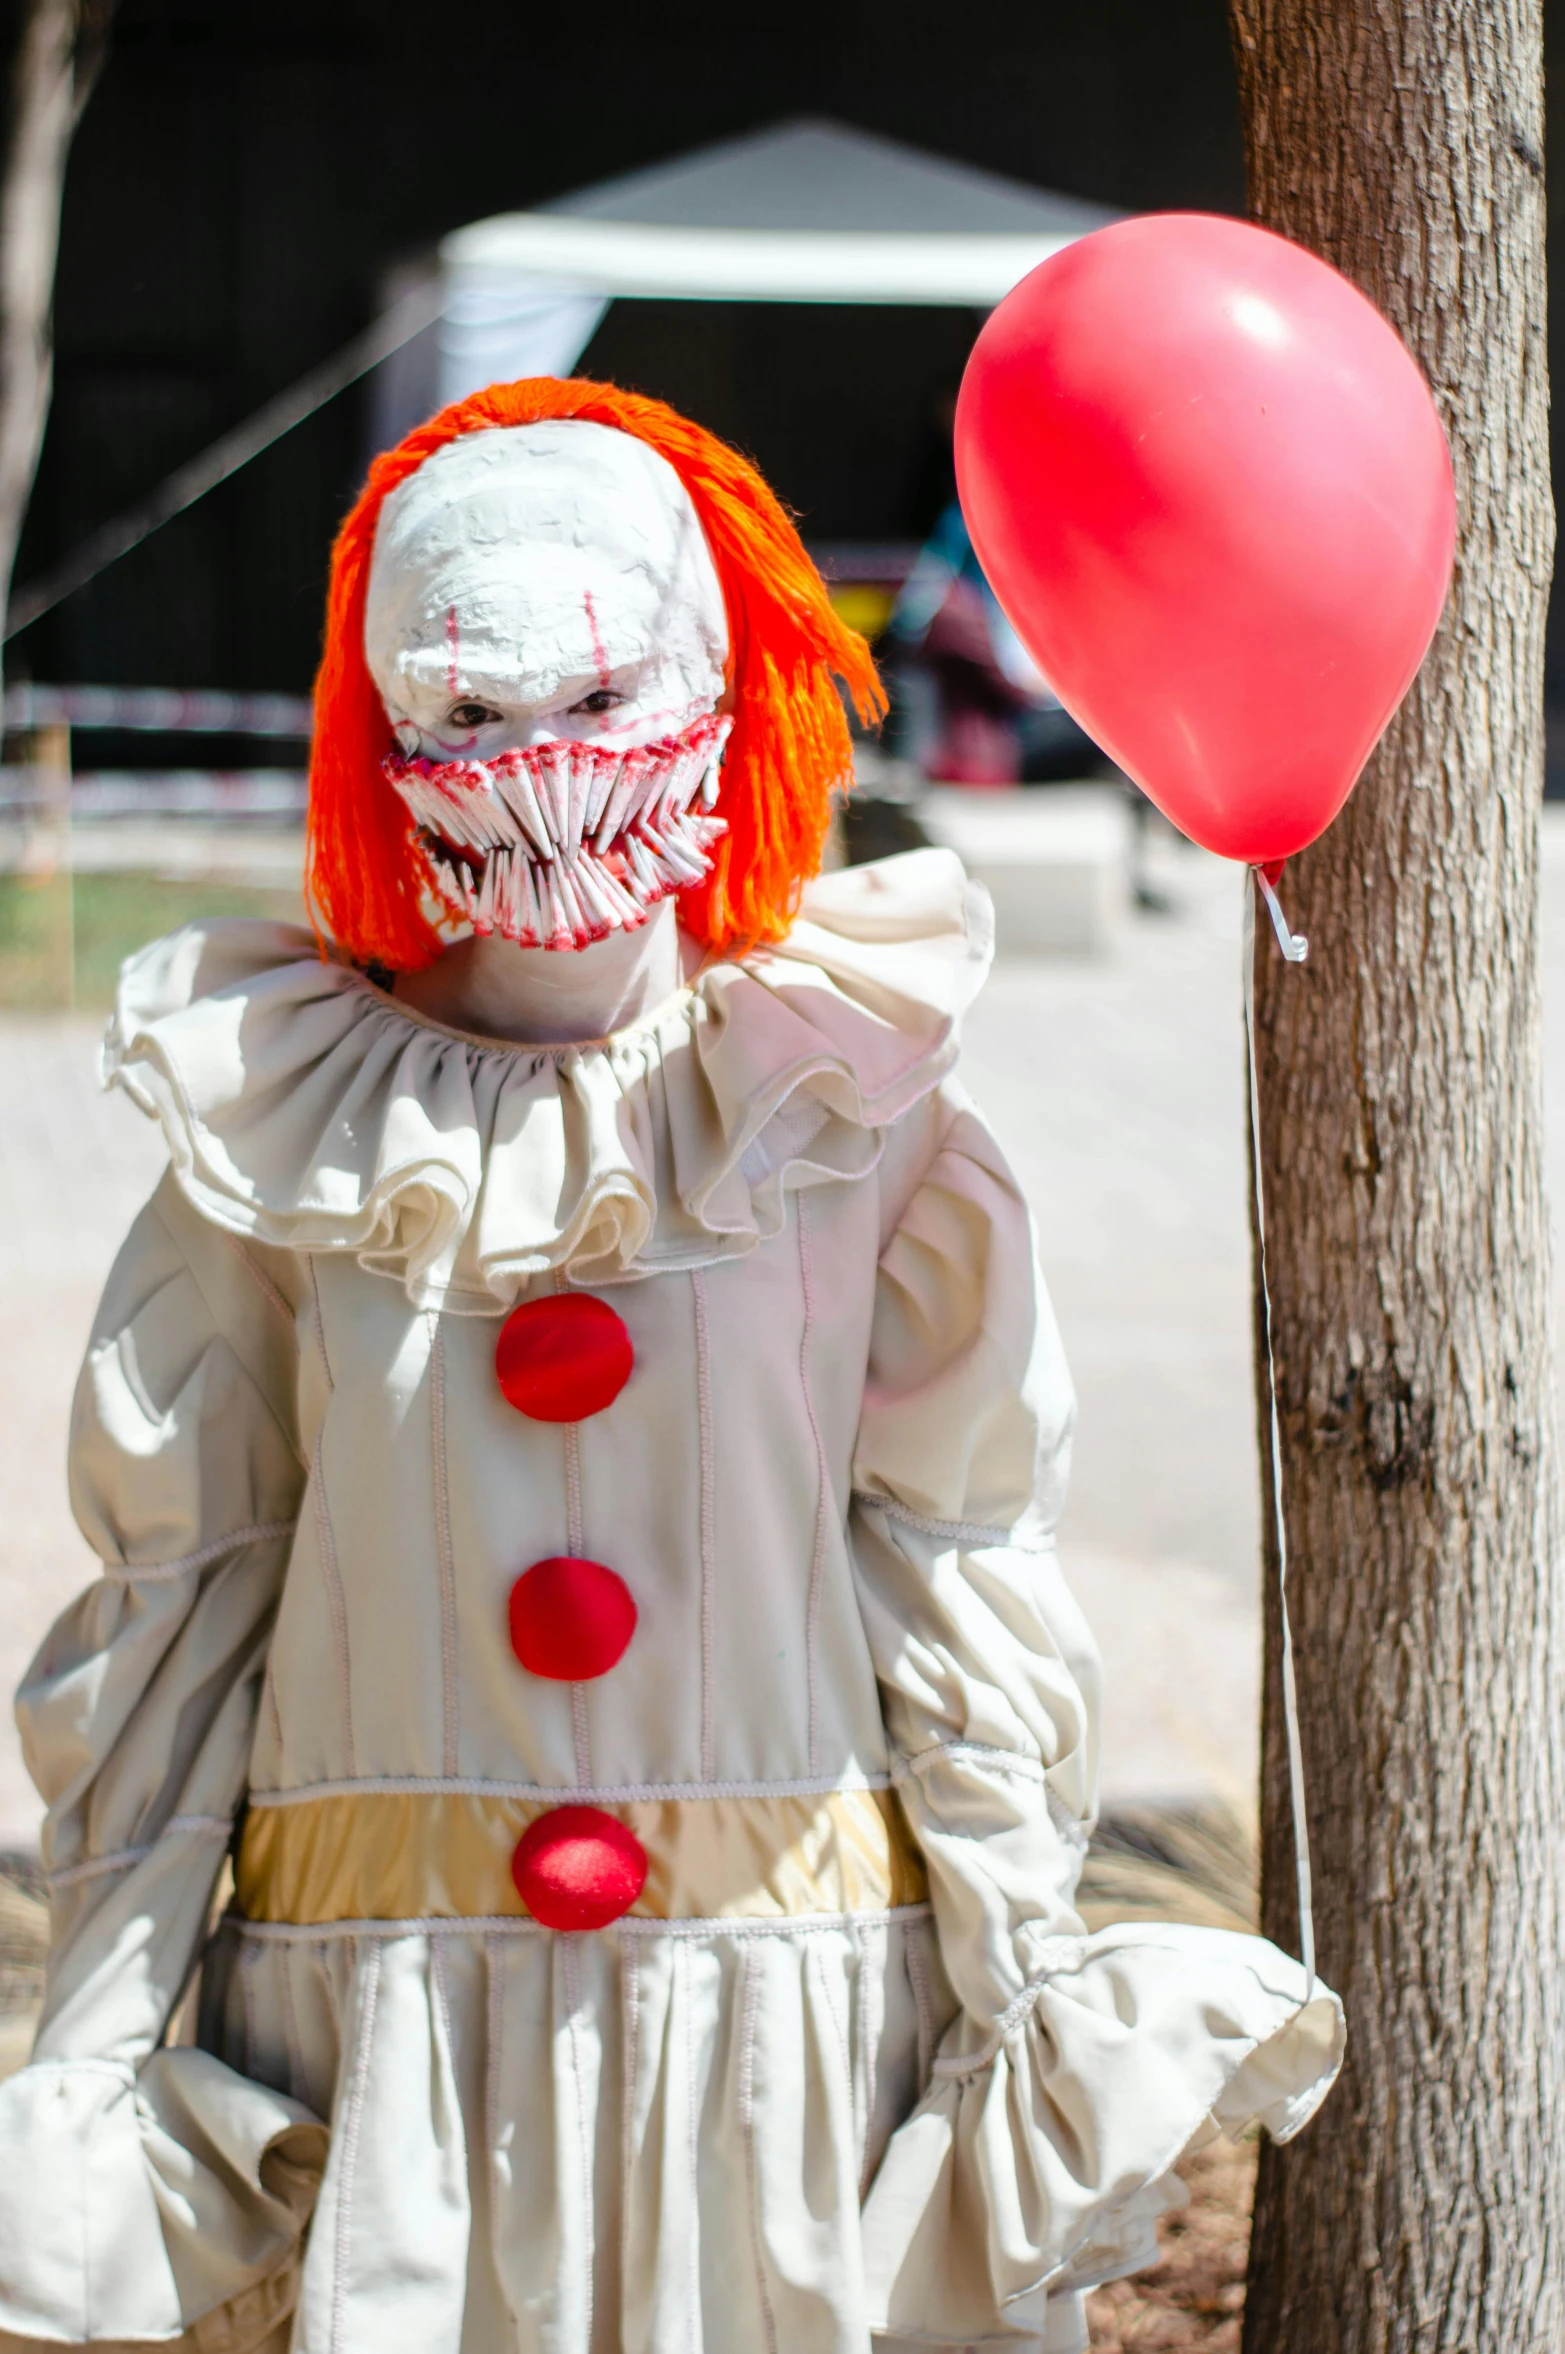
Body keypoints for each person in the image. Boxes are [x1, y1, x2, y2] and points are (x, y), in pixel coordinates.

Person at [0, 378, 1341, 2354]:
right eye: (462, 709)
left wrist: (1020, 1982)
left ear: (716, 681)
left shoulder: (847, 1110)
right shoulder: (277, 1136)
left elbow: (948, 1559)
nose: (530, 762)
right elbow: (182, 1613)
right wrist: (92, 2059)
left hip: (780, 2022)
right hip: (387, 2051)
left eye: (589, 691)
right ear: (383, 728)